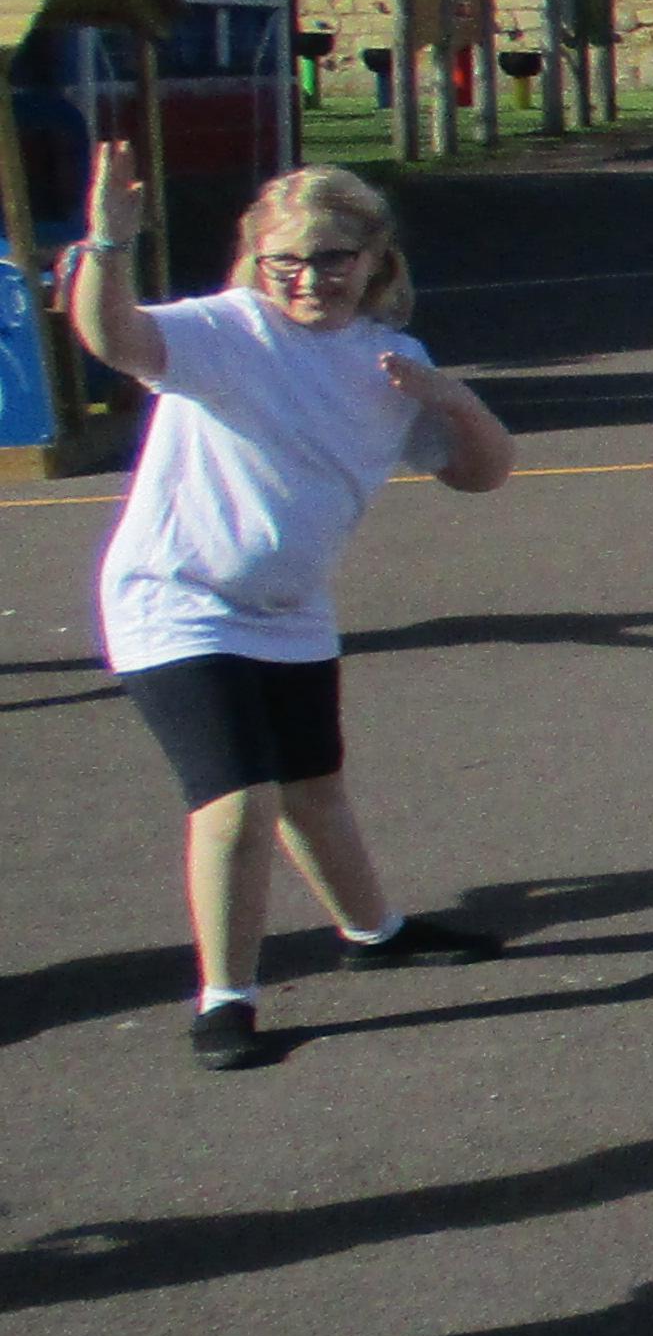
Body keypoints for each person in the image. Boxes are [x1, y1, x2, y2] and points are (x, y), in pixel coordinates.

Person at [68, 148, 518, 1069]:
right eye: (287, 261)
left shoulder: (392, 362)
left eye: (331, 258)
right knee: (239, 802)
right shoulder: (224, 330)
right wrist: (108, 245)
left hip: (290, 609)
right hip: (177, 601)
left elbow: (482, 474)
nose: (308, 278)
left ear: (375, 260)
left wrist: (458, 404)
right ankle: (226, 998)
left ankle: (375, 934)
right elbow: (116, 340)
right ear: (257, 259)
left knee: (314, 788)